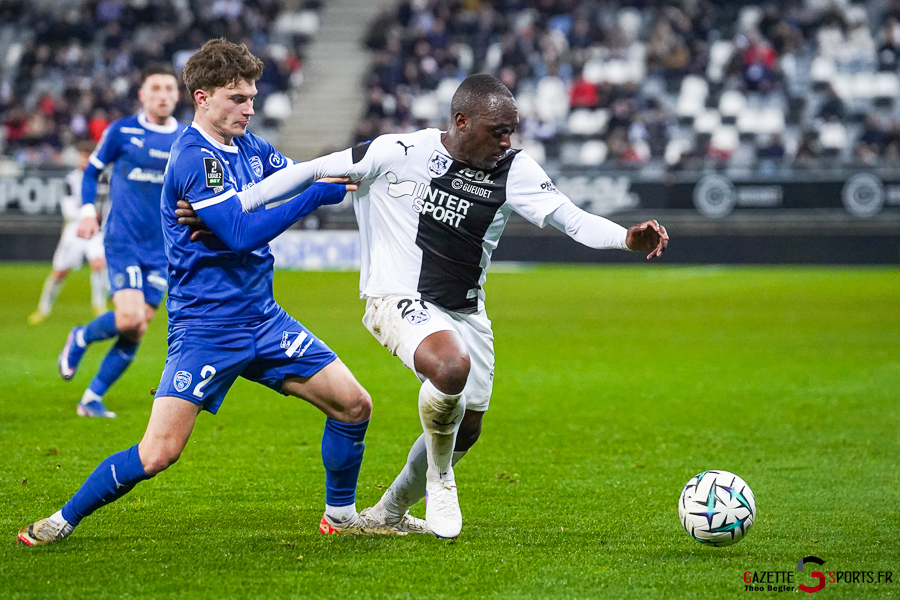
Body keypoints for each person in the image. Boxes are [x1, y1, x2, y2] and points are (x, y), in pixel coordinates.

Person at [179, 73, 668, 539]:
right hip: (396, 296)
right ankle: (440, 479)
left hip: (465, 310)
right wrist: (235, 208)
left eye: (511, 131)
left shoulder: (514, 169)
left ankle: (388, 512)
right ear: (461, 122)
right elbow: (310, 170)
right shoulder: (398, 150)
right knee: (450, 368)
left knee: (466, 428)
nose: (506, 141)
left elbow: (571, 218)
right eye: (498, 131)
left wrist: (625, 238)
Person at [17, 39, 417, 548]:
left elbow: (295, 176)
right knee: (157, 453)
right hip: (207, 327)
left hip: (264, 319)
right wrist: (314, 194)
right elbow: (242, 233)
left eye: (252, 98)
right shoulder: (194, 157)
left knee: (354, 405)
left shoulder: (250, 146)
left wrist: (362, 168)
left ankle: (339, 516)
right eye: (237, 99)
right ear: (202, 98)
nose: (249, 109)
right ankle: (62, 519)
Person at [57, 63, 184, 418]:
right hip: (123, 240)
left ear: (178, 95)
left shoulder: (186, 138)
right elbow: (92, 171)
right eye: (155, 88)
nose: (162, 96)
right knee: (129, 318)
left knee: (138, 327)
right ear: (142, 94)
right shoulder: (122, 131)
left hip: (163, 249)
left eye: (169, 89)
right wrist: (87, 211)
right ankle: (81, 336)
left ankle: (91, 399)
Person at [28, 142, 107, 325]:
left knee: (98, 265)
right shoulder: (71, 180)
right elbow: (68, 210)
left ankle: (99, 307)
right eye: (83, 156)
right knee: (59, 272)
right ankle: (43, 309)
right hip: (75, 231)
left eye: (89, 156)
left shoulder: (104, 179)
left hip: (96, 231)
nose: (85, 160)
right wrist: (89, 214)